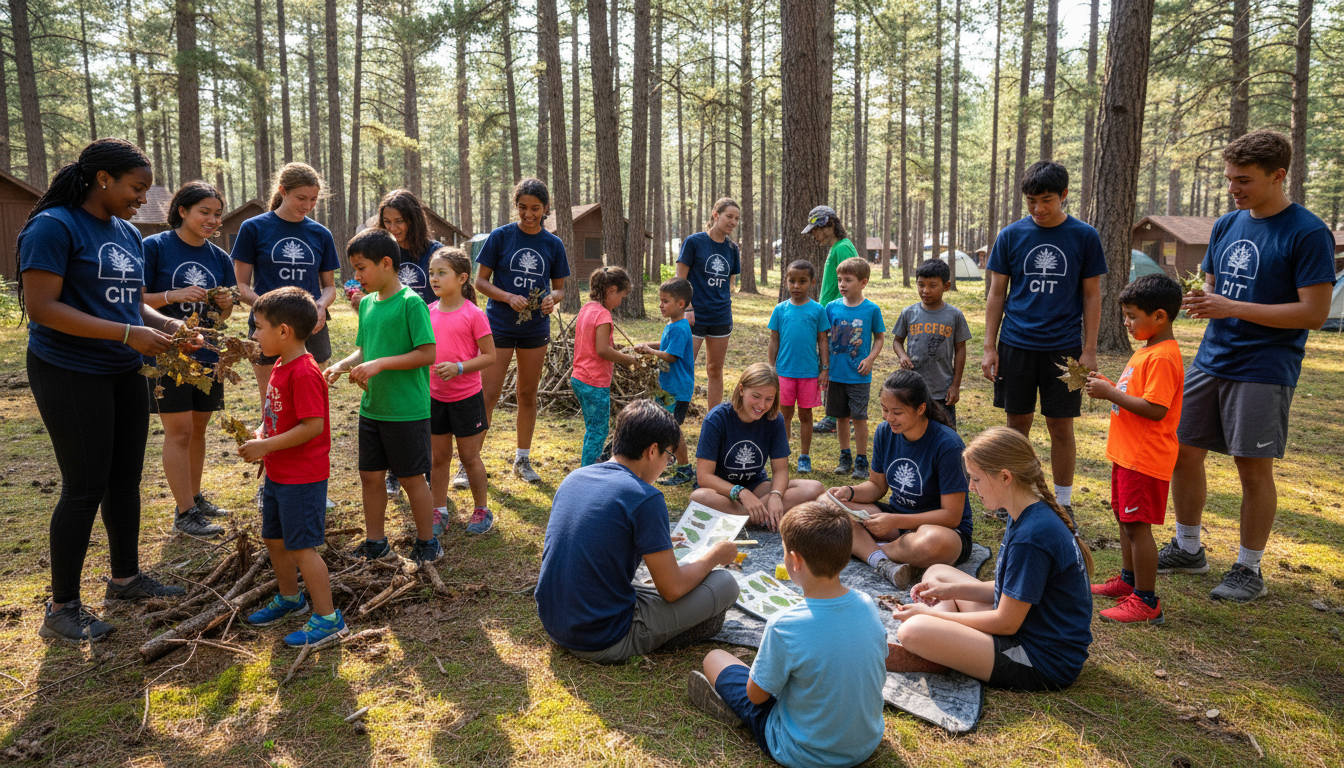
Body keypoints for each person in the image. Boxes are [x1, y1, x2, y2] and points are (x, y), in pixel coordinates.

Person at [21, 138, 187, 643]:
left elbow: (131, 303)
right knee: (84, 486)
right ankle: (62, 607)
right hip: (69, 369)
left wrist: (168, 325)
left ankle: (125, 579)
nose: (143, 198)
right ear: (103, 179)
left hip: (124, 368)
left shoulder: (127, 232)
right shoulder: (54, 226)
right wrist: (126, 333)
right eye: (136, 187)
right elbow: (42, 307)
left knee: (125, 480)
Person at [1161, 129, 1337, 603]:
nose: (1233, 189)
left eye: (1244, 180)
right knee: (1183, 451)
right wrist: (1203, 300)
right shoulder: (1227, 224)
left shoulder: (1307, 231)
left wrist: (1231, 307)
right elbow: (1215, 285)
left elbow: (1314, 313)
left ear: (1278, 175)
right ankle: (1188, 547)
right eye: (1229, 179)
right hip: (1213, 357)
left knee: (1252, 468)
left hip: (1265, 365)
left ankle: (1248, 568)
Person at [887, 427, 1094, 691]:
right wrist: (948, 591)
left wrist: (931, 615)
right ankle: (944, 646)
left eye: (976, 479)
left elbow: (1005, 623)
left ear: (1005, 477)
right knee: (938, 574)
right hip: (1025, 629)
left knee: (912, 630)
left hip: (1040, 659)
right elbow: (1010, 591)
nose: (971, 487)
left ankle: (940, 646)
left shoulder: (1032, 536)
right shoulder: (1024, 511)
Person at [536, 400, 741, 663]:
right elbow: (672, 589)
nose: (667, 464)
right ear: (653, 450)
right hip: (602, 637)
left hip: (554, 622)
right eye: (669, 457)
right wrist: (714, 556)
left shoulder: (575, 478)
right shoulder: (646, 497)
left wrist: (649, 541)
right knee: (725, 583)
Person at [690, 502, 887, 768]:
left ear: (795, 561)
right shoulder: (867, 604)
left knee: (714, 658)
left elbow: (756, 697)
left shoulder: (784, 625)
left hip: (801, 752)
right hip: (866, 743)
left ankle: (734, 711)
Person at [981, 160, 1107, 520]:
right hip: (1016, 344)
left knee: (1061, 426)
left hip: (1064, 348)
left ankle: (1062, 502)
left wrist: (1089, 349)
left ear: (1064, 195)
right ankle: (1014, 497)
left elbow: (1092, 295)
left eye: (1046, 200)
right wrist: (989, 346)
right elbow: (997, 293)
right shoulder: (1011, 235)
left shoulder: (1084, 236)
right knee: (1016, 425)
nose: (1038, 208)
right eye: (1031, 201)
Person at [240, 287, 347, 646]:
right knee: (274, 538)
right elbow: (276, 415)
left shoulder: (303, 372)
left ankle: (329, 620)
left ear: (283, 331)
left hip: (302, 477)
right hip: (278, 472)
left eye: (258, 327)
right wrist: (261, 432)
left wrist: (265, 446)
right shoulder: (281, 365)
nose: (254, 335)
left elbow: (312, 426)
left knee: (302, 547)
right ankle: (291, 599)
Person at [324, 229, 439, 563]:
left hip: (406, 409)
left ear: (386, 263)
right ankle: (376, 542)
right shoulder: (368, 304)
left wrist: (380, 364)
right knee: (370, 476)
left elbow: (427, 353)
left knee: (411, 478)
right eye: (354, 269)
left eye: (361, 268)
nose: (356, 276)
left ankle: (428, 543)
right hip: (373, 408)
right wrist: (341, 365)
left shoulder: (411, 303)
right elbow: (365, 350)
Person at [1085, 274, 1185, 624]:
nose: (1126, 323)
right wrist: (1110, 386)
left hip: (1144, 459)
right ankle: (1128, 582)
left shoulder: (1163, 357)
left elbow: (1156, 409)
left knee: (1138, 527)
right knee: (1126, 520)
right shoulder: (1148, 350)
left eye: (1131, 316)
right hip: (1127, 456)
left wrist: (1111, 393)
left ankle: (1146, 601)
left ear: (1159, 316)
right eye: (1124, 316)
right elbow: (1138, 396)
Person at [141, 181, 237, 537]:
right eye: (204, 212)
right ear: (182, 211)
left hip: (207, 354)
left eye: (217, 214)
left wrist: (225, 305)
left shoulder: (220, 258)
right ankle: (184, 513)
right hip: (167, 352)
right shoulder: (155, 247)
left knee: (198, 428)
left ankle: (194, 499)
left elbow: (222, 317)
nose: (212, 220)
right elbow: (134, 299)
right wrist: (173, 295)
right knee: (179, 431)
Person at [824, 370, 975, 589]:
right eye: (884, 409)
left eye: (897, 412)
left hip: (940, 530)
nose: (889, 418)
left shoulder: (947, 445)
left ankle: (869, 550)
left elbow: (951, 516)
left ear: (920, 409)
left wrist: (894, 521)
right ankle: (884, 560)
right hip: (896, 523)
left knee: (933, 543)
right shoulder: (884, 431)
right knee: (826, 504)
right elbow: (876, 486)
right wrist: (850, 491)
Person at [347, 189, 443, 500]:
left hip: (423, 337)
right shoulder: (375, 266)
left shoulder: (430, 257)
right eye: (386, 221)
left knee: (417, 420)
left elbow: (427, 351)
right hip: (380, 388)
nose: (393, 227)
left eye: (399, 221)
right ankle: (396, 471)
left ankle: (422, 472)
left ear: (414, 220)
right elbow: (366, 344)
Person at [476, 177, 570, 484]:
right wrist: (507, 297)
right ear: (516, 206)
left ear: (545, 208)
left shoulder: (553, 244)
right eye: (522, 207)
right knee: (488, 394)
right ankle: (470, 461)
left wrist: (551, 299)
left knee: (527, 394)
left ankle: (523, 459)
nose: (528, 214)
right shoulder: (501, 237)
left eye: (535, 208)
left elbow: (560, 289)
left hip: (535, 327)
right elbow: (480, 282)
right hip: (499, 325)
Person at [231, 162, 340, 402]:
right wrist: (270, 311)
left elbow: (330, 287)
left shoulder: (321, 234)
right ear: (283, 191)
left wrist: (320, 306)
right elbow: (241, 287)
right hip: (267, 327)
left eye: (313, 199)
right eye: (301, 198)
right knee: (272, 402)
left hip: (311, 326)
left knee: (312, 401)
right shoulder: (253, 228)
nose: (307, 206)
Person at [689, 363, 825, 530]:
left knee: (814, 488)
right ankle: (759, 516)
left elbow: (780, 470)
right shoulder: (716, 419)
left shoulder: (775, 419)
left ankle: (742, 518)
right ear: (741, 390)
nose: (762, 405)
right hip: (723, 493)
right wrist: (741, 492)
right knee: (699, 497)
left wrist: (776, 495)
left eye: (769, 399)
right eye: (756, 396)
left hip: (758, 488)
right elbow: (704, 477)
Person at [426, 247, 496, 537]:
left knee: (469, 458)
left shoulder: (474, 314)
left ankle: (482, 509)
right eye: (432, 273)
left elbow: (490, 356)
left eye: (442, 273)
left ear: (462, 278)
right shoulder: (428, 312)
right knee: (438, 459)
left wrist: (459, 367)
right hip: (434, 398)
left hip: (466, 398)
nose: (434, 278)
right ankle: (438, 510)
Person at [676, 197, 741, 410]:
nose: (733, 222)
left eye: (736, 219)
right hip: (694, 315)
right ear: (715, 215)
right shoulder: (694, 242)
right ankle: (675, 415)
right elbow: (679, 280)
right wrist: (687, 308)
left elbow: (728, 283)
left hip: (721, 317)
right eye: (729, 216)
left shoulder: (732, 249)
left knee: (715, 369)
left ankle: (713, 418)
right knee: (684, 365)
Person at [892, 259, 971, 428]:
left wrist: (955, 385)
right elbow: (897, 341)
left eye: (932, 285)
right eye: (921, 285)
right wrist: (902, 355)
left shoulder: (954, 315)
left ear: (946, 286)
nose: (925, 290)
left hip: (942, 389)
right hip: (913, 387)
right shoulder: (909, 313)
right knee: (914, 428)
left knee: (945, 431)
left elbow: (960, 350)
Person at [825, 256, 885, 479]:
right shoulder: (831, 308)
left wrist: (870, 359)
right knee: (840, 417)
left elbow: (880, 338)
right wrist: (824, 367)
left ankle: (861, 459)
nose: (842, 284)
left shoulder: (871, 310)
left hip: (859, 375)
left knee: (859, 418)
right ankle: (845, 456)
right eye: (840, 279)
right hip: (836, 374)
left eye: (848, 280)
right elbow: (823, 337)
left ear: (863, 282)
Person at [572, 266, 638, 467]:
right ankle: (588, 473)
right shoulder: (603, 315)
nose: (620, 302)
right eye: (621, 296)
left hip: (579, 377)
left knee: (592, 428)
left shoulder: (586, 308)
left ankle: (589, 467)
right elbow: (602, 350)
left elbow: (592, 342)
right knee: (598, 431)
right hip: (594, 381)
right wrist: (628, 359)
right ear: (611, 290)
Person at [768, 260, 830, 474]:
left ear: (812, 283)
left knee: (805, 415)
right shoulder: (780, 309)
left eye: (802, 281)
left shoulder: (818, 310)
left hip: (809, 374)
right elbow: (774, 339)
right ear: (786, 281)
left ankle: (804, 456)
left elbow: (823, 340)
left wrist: (825, 368)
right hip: (784, 372)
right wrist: (770, 368)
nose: (796, 286)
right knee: (784, 414)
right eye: (792, 281)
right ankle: (783, 454)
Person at [803, 204, 860, 436]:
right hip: (831, 317)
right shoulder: (836, 247)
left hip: (840, 320)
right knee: (831, 363)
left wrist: (843, 315)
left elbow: (852, 281)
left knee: (837, 366)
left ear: (827, 225)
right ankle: (835, 415)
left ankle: (837, 417)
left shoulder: (843, 248)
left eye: (815, 230)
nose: (814, 236)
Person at [633, 277, 696, 486]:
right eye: (660, 300)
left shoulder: (680, 327)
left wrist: (650, 351)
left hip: (677, 390)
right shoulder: (673, 324)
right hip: (667, 387)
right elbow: (665, 344)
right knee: (664, 428)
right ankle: (668, 462)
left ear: (681, 304)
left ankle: (685, 469)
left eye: (665, 301)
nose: (660, 305)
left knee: (673, 431)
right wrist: (647, 345)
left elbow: (671, 356)